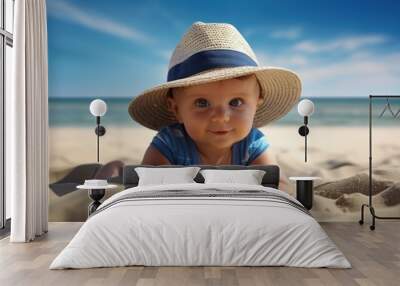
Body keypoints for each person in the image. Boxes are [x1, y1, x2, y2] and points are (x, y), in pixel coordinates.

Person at [128, 22, 301, 189]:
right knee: (116, 171)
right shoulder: (170, 142)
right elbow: (146, 188)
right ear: (176, 109)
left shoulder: (253, 145)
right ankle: (111, 168)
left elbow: (278, 186)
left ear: (256, 104)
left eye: (236, 102)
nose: (221, 116)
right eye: (202, 103)